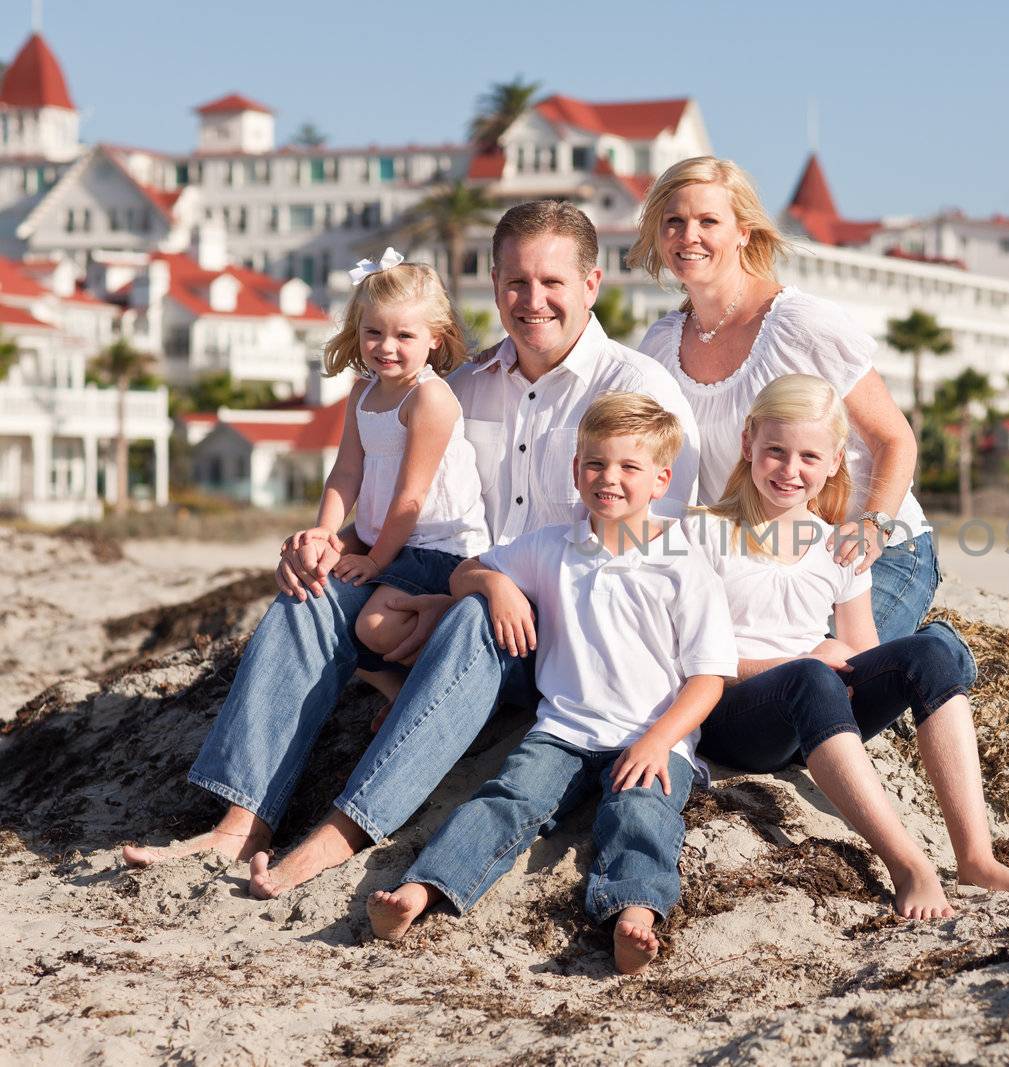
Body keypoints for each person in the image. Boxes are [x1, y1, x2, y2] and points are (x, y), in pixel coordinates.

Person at [122, 201, 699, 873]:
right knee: (311, 596)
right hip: (449, 590)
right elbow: (403, 501)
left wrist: (467, 596)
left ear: (591, 284)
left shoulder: (637, 391)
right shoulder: (460, 386)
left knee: (478, 618)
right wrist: (327, 541)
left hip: (554, 636)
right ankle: (241, 818)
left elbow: (651, 560)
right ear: (492, 281)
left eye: (552, 283)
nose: (531, 300)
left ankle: (341, 830)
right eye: (515, 282)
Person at [365, 393, 736, 975]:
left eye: (628, 468)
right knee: (506, 800)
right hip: (562, 731)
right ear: (575, 470)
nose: (608, 479)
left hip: (652, 738)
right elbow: (465, 573)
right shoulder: (550, 546)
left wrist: (659, 741)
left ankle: (634, 912)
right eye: (595, 464)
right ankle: (422, 892)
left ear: (663, 479)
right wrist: (498, 586)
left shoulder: (683, 565)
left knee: (641, 813)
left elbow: (708, 679)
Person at [689, 374, 1009, 919]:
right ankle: (910, 867)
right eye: (775, 451)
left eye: (809, 456)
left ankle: (975, 856)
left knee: (932, 650)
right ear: (748, 445)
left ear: (836, 461)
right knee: (812, 675)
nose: (791, 470)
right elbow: (691, 661)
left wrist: (837, 663)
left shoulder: (835, 543)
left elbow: (861, 653)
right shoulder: (702, 534)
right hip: (737, 719)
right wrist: (801, 660)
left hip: (817, 716)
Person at [630, 156, 965, 655]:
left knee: (815, 669)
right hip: (751, 558)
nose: (688, 235)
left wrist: (873, 526)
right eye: (673, 221)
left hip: (864, 553)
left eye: (708, 221)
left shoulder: (802, 325)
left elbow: (894, 438)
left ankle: (933, 655)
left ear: (744, 232)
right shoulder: (658, 346)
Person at [289, 252, 489, 716]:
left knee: (375, 626)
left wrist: (375, 562)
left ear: (434, 338)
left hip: (439, 546)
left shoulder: (430, 398)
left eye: (404, 335)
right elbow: (346, 472)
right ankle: (396, 690)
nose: (386, 347)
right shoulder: (362, 390)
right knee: (323, 598)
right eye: (373, 332)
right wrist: (325, 532)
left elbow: (411, 497)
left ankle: (446, 679)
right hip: (387, 542)